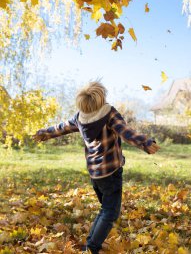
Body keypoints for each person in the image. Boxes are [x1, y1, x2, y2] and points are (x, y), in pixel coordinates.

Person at [33, 81, 160, 254]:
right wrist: (145, 142)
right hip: (111, 172)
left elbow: (61, 127)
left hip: (95, 174)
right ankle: (91, 248)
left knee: (106, 209)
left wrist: (44, 133)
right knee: (110, 212)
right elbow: (126, 131)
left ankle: (90, 244)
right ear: (101, 97)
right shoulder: (109, 114)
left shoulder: (80, 118)